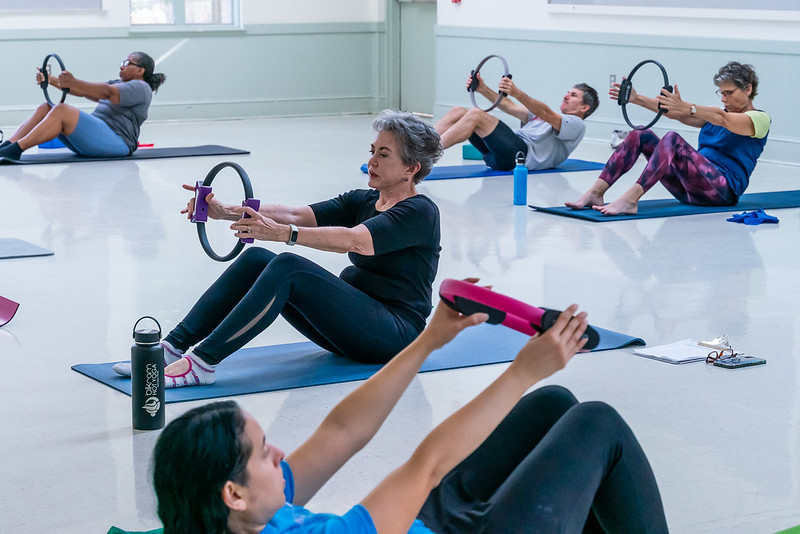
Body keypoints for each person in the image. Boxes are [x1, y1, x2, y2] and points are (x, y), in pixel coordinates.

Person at [152, 296, 669, 533]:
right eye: (265, 456)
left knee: (552, 407)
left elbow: (344, 429)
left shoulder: (237, 517)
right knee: (597, 423)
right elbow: (427, 466)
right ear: (234, 493)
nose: (280, 454)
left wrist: (428, 340)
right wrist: (521, 372)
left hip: (423, 524)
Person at [113, 110, 443, 388]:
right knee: (258, 257)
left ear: (411, 168)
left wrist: (283, 234)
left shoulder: (419, 212)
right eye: (372, 151)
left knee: (288, 266)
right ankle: (172, 348)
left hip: (395, 336)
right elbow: (298, 214)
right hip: (358, 326)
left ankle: (202, 363)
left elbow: (356, 239)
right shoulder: (365, 199)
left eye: (383, 155)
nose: (371, 161)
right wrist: (224, 210)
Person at [566, 61, 769, 216]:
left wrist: (688, 107)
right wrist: (637, 99)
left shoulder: (759, 119)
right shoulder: (717, 115)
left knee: (672, 140)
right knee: (640, 134)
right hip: (689, 188)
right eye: (721, 93)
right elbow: (677, 113)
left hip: (721, 192)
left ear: (748, 89)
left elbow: (722, 118)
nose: (723, 98)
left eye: (729, 93)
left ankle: (631, 199)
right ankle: (595, 192)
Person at [0, 52, 165, 160]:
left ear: (140, 70)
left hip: (117, 141)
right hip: (98, 136)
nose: (122, 65)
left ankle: (15, 150)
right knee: (47, 107)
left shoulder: (141, 88)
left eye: (127, 63)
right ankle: (8, 144)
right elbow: (85, 91)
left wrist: (74, 82)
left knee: (62, 109)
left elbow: (108, 93)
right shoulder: (118, 83)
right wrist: (51, 80)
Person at [434, 72, 598, 171]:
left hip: (519, 156)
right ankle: (416, 141)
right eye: (568, 93)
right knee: (459, 111)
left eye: (573, 95)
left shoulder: (577, 125)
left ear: (584, 108)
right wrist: (482, 89)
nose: (566, 96)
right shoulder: (544, 117)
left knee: (476, 115)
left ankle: (426, 154)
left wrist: (517, 92)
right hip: (496, 156)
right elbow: (508, 106)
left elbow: (546, 112)